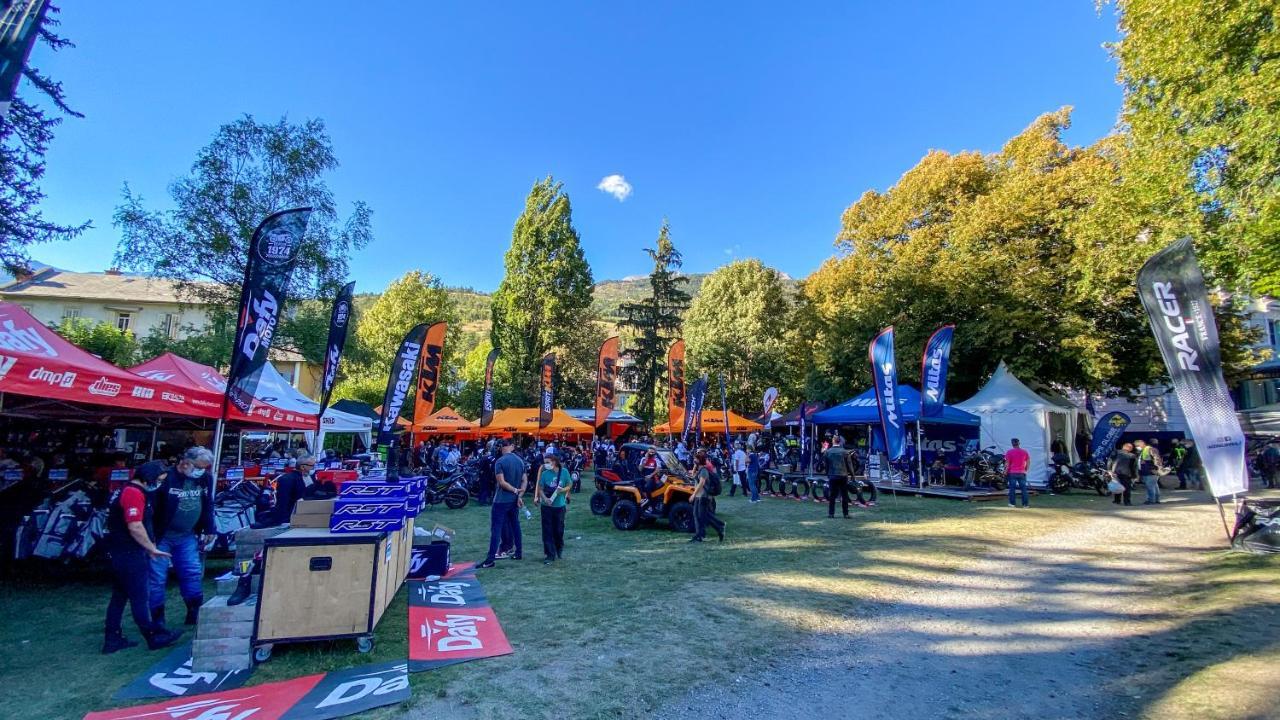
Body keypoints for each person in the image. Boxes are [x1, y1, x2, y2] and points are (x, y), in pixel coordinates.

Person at [103, 462, 183, 653]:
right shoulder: (133, 493)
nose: (159, 484)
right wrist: (151, 548)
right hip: (129, 553)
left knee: (120, 596)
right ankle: (153, 637)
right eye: (159, 480)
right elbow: (135, 525)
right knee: (140, 597)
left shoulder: (130, 491)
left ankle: (112, 638)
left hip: (121, 552)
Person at [149, 448, 215, 626]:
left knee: (191, 572)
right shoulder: (166, 479)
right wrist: (150, 535)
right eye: (198, 467)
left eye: (204, 467)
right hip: (161, 536)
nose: (201, 470)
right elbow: (152, 507)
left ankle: (194, 612)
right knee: (157, 578)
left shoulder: (204, 478)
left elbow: (208, 503)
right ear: (185, 462)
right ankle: (157, 619)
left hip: (187, 535)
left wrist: (209, 527)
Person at [478, 439, 526, 569]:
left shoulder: (500, 461)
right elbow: (524, 481)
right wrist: (519, 495)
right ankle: (518, 552)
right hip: (513, 500)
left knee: (496, 530)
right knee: (515, 526)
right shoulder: (520, 461)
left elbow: (502, 482)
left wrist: (515, 490)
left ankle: (490, 559)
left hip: (501, 500)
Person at [256, 454, 316, 527]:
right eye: (312, 466)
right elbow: (283, 502)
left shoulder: (307, 478)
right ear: (303, 467)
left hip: (300, 516)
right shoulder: (287, 479)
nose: (314, 468)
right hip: (290, 518)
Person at [535, 453, 571, 565]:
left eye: (547, 462)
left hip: (559, 506)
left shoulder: (564, 472)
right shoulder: (545, 474)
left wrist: (562, 490)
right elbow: (540, 488)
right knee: (547, 530)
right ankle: (549, 554)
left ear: (554, 462)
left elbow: (569, 484)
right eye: (545, 462)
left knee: (558, 530)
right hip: (547, 507)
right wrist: (544, 499)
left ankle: (559, 548)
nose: (545, 465)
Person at [689, 449, 724, 543]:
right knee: (696, 515)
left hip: (703, 496)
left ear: (699, 460)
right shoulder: (699, 469)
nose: (694, 460)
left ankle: (719, 527)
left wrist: (693, 494)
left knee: (703, 516)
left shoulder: (704, 470)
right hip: (699, 496)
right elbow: (693, 476)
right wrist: (694, 466)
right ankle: (698, 535)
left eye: (695, 459)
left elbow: (701, 483)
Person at [822, 435, 855, 518]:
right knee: (844, 495)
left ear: (833, 441)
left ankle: (831, 513)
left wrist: (828, 473)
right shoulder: (845, 452)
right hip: (843, 475)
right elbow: (849, 465)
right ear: (840, 442)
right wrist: (852, 475)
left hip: (832, 475)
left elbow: (826, 465)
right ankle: (846, 514)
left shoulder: (828, 452)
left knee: (832, 495)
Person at [1109, 441, 1138, 506]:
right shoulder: (1132, 455)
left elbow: (1110, 461)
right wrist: (1134, 475)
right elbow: (1133, 467)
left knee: (1117, 487)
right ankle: (1127, 502)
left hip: (1115, 472)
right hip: (1127, 474)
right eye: (1131, 447)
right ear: (1130, 448)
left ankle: (1117, 501)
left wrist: (1109, 470)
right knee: (1127, 488)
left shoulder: (1116, 452)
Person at [1004, 438, 1030, 508]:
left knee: (1012, 489)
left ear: (1012, 444)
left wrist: (1005, 472)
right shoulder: (1024, 452)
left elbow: (1007, 464)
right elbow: (1028, 461)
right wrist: (1026, 469)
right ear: (1019, 443)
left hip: (1012, 472)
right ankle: (1025, 504)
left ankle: (1012, 503)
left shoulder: (1009, 452)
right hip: (1022, 472)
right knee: (1023, 489)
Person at [1135, 439, 1162, 504]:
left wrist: (1155, 468)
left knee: (1150, 486)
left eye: (1137, 445)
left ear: (1142, 444)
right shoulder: (1144, 451)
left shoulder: (1150, 449)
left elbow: (1157, 459)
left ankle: (1151, 500)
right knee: (1154, 486)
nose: (1136, 447)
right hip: (1147, 471)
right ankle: (1156, 499)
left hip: (1151, 471)